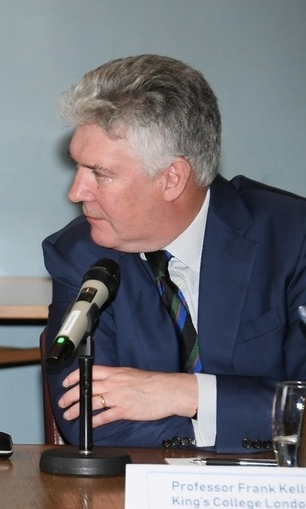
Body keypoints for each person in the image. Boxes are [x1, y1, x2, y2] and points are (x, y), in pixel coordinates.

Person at [42, 54, 306, 453]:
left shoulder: (292, 238)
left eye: (100, 173)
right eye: (77, 167)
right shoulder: (79, 255)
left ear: (172, 178)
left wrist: (189, 394)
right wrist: (251, 415)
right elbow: (89, 421)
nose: (76, 192)